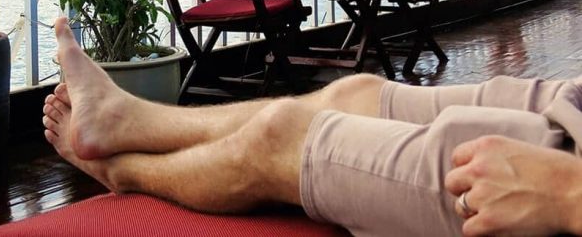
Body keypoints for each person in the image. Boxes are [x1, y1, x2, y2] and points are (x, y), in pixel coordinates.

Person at [42, 17, 582, 237]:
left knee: (280, 136)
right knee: (353, 90)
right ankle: (123, 118)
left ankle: (125, 170)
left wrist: (565, 190)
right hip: (573, 110)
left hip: (567, 175)